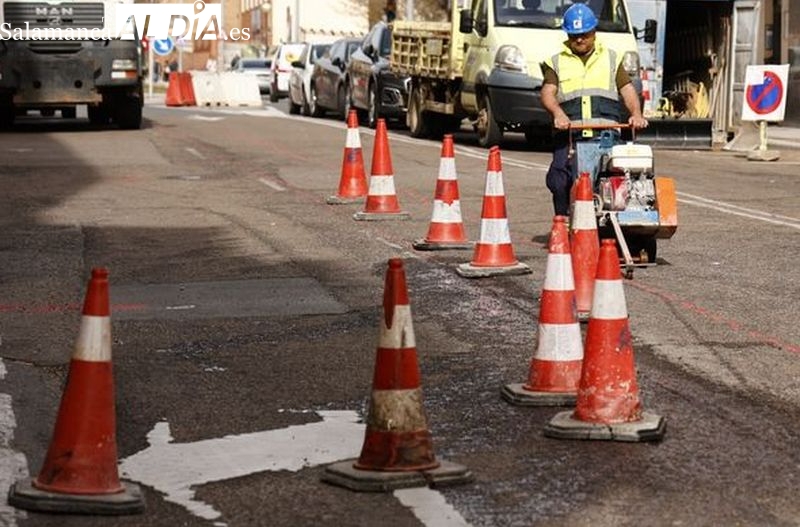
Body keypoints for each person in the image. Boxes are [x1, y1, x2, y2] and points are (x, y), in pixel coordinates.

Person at [540, 2, 648, 216]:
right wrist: (558, 114)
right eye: (574, 35)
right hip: (571, 137)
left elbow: (627, 90)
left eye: (584, 34)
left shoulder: (610, 58)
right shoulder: (556, 62)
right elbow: (547, 93)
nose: (579, 39)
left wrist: (636, 114)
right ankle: (563, 222)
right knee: (558, 179)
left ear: (594, 32)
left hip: (606, 137)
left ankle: (620, 218)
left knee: (621, 177)